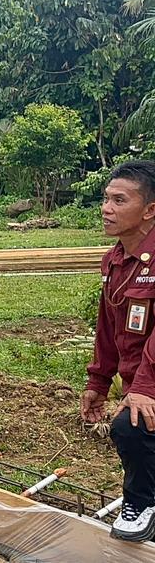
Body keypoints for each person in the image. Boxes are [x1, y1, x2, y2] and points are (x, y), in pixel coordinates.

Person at [83, 160, 155, 542]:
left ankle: (140, 503)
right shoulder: (114, 259)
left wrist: (144, 387)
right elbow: (108, 326)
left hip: (151, 379)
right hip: (139, 379)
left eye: (119, 200)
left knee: (132, 426)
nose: (106, 208)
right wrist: (98, 380)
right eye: (106, 199)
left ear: (150, 210)